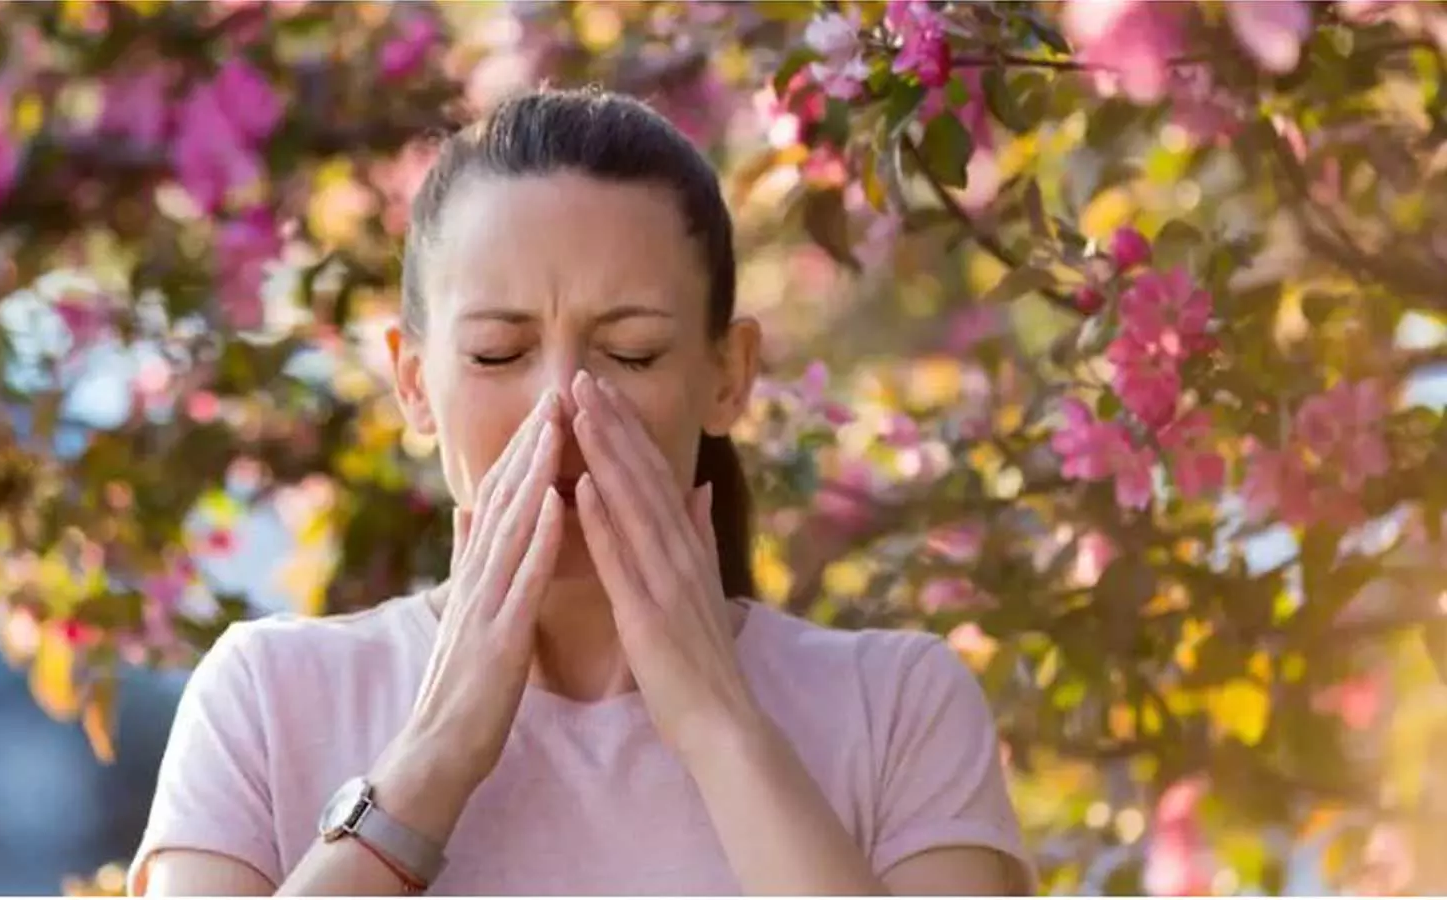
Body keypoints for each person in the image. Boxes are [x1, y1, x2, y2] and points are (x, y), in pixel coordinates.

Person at [131, 86, 1032, 897]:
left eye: (631, 353)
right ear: (412, 382)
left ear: (728, 375)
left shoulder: (897, 707)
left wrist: (719, 726)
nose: (561, 405)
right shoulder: (268, 698)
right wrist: (433, 760)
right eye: (497, 355)